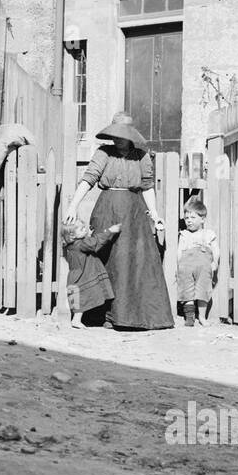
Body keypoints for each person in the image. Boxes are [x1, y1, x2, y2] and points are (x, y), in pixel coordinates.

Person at [65, 112, 174, 331]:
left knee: (133, 262)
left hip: (134, 213)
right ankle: (104, 315)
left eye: (121, 136)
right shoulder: (103, 153)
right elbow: (88, 179)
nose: (117, 140)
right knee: (107, 261)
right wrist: (73, 206)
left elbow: (147, 186)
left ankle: (133, 317)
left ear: (130, 136)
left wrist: (154, 213)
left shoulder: (141, 156)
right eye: (114, 135)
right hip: (107, 209)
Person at [61, 216, 121, 328]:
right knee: (85, 297)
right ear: (73, 235)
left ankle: (76, 319)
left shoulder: (70, 246)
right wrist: (109, 231)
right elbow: (95, 242)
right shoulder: (81, 244)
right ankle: (76, 320)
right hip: (84, 276)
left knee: (78, 299)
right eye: (81, 229)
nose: (85, 229)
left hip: (75, 276)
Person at [175, 198, 219, 326]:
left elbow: (216, 249)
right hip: (186, 267)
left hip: (204, 268)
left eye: (193, 218)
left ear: (203, 219)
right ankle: (189, 316)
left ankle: (202, 317)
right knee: (186, 290)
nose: (188, 221)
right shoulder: (184, 235)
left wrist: (215, 262)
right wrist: (179, 265)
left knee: (203, 290)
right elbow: (179, 251)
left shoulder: (208, 234)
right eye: (186, 218)